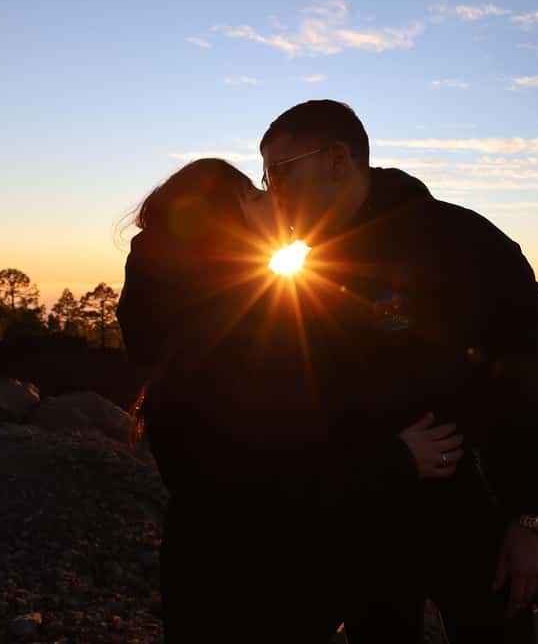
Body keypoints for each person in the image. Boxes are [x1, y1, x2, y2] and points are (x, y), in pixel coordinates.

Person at [258, 100, 538, 643]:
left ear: (337, 159)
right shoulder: (306, 272)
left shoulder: (466, 243)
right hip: (367, 530)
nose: (271, 192)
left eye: (279, 172)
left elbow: (535, 375)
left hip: (479, 525)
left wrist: (534, 518)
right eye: (266, 178)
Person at [116, 158, 464, 642]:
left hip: (220, 587)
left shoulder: (210, 325)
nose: (273, 198)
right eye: (254, 195)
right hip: (250, 597)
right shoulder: (227, 343)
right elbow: (265, 491)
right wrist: (400, 461)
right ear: (223, 224)